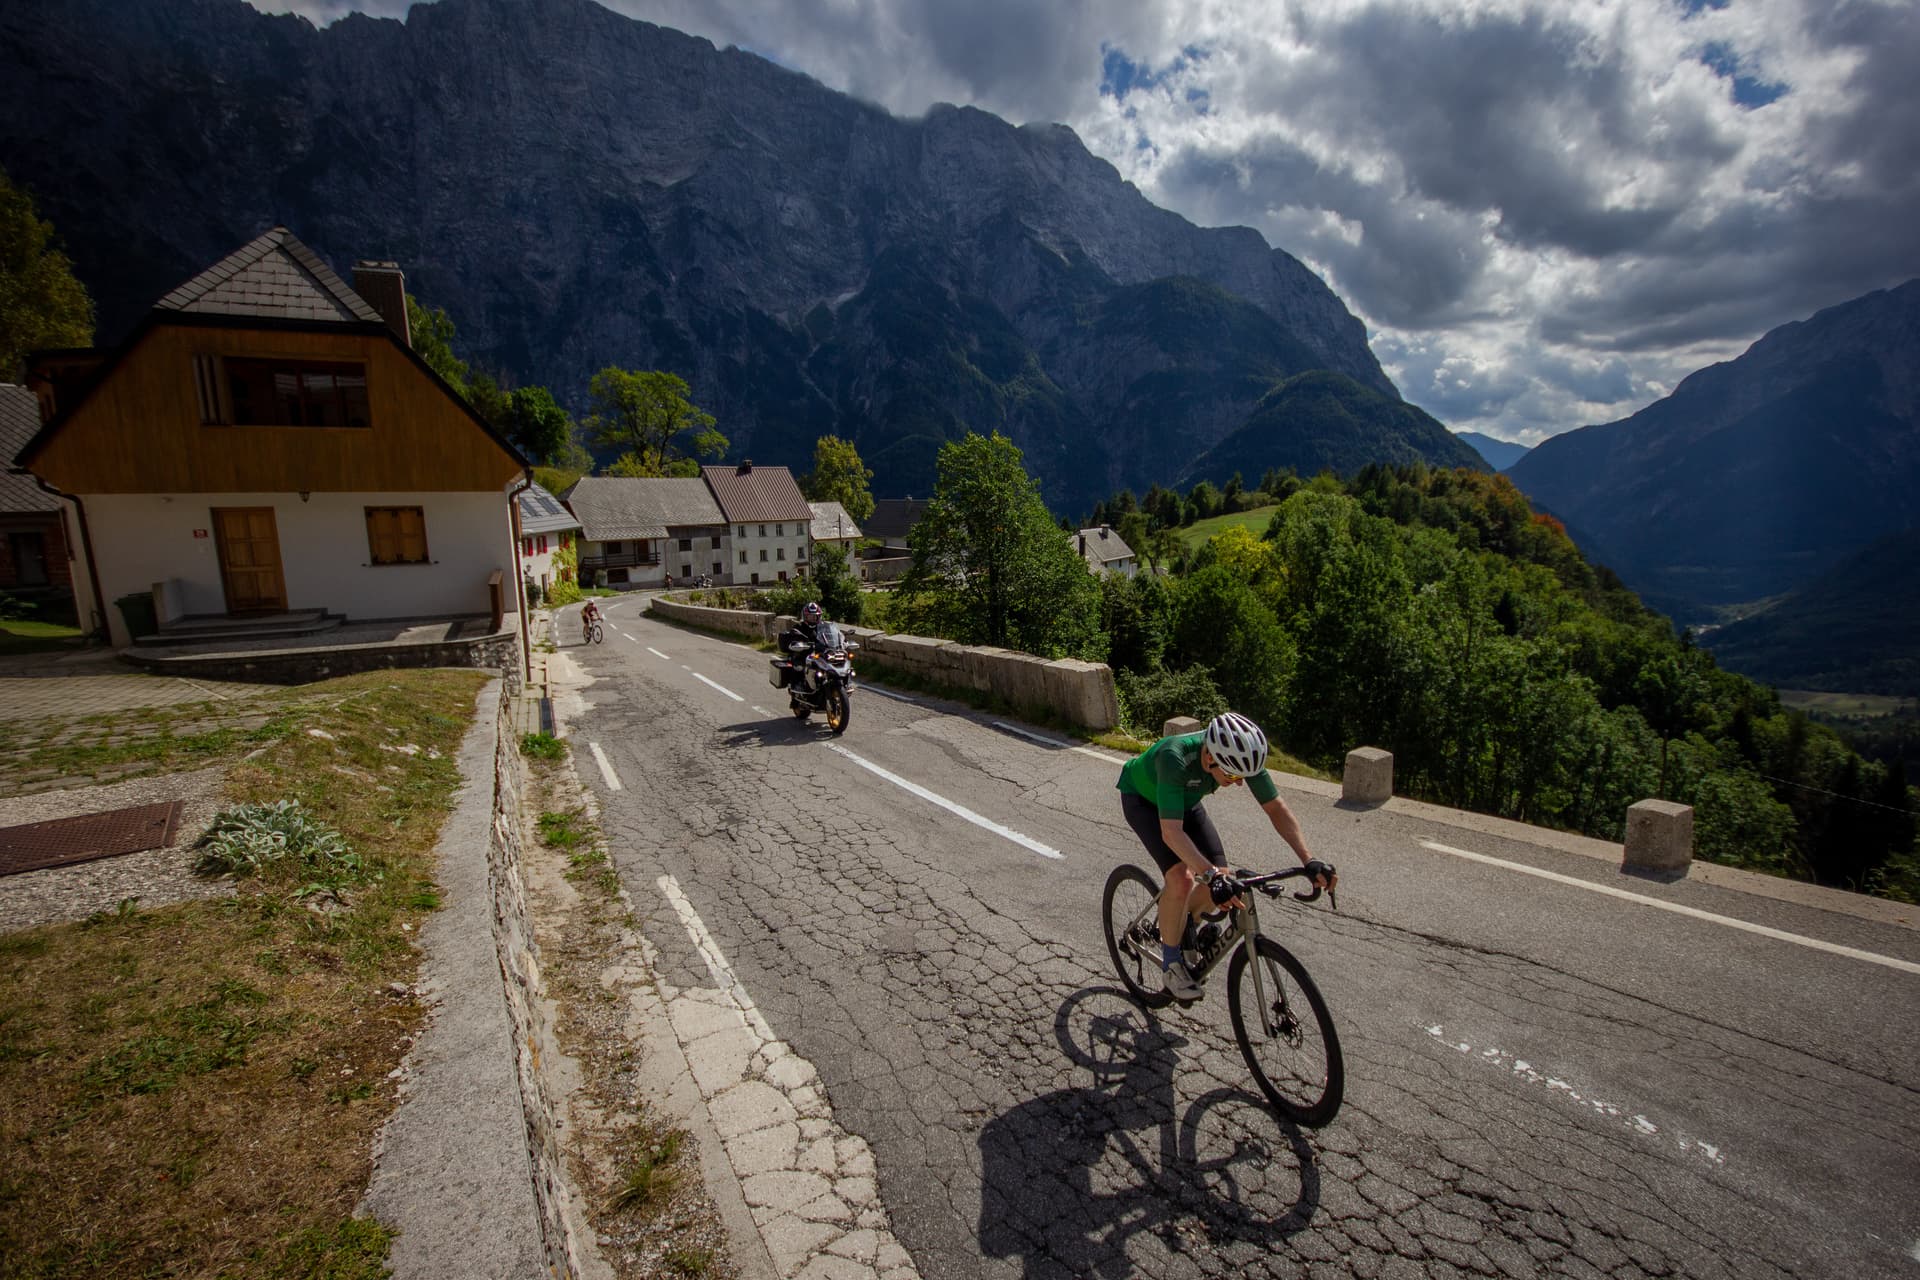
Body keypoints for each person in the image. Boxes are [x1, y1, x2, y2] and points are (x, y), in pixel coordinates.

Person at [1116, 711, 1335, 1002]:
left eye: (1244, 776)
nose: (1240, 783)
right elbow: (1171, 833)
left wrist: (1309, 859)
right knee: (1181, 878)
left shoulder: (1237, 753)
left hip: (1185, 801)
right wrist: (1210, 874)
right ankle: (1171, 965)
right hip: (1143, 801)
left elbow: (1276, 808)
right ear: (1208, 758)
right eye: (1232, 775)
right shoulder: (1175, 757)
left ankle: (1181, 924)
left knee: (1222, 875)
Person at [777, 601, 830, 703]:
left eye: (815, 617)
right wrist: (798, 644)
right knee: (798, 666)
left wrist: (841, 640)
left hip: (819, 654)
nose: (813, 619)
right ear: (805, 617)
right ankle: (797, 689)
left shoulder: (822, 627)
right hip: (802, 654)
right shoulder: (798, 628)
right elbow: (792, 637)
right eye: (810, 616)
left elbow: (830, 636)